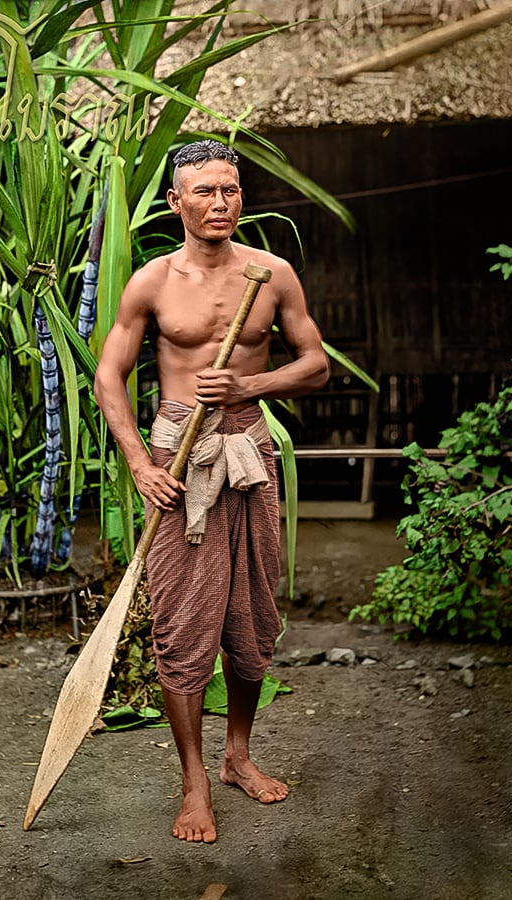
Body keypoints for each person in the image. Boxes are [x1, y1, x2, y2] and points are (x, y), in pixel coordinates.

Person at [93, 139, 329, 844]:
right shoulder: (152, 282)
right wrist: (139, 463)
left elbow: (313, 363)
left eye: (229, 189)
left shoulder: (273, 273)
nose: (219, 202)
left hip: (248, 450)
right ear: (175, 202)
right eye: (203, 191)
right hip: (179, 454)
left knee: (251, 616)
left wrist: (250, 383)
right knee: (184, 622)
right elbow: (109, 377)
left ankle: (237, 758)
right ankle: (193, 782)